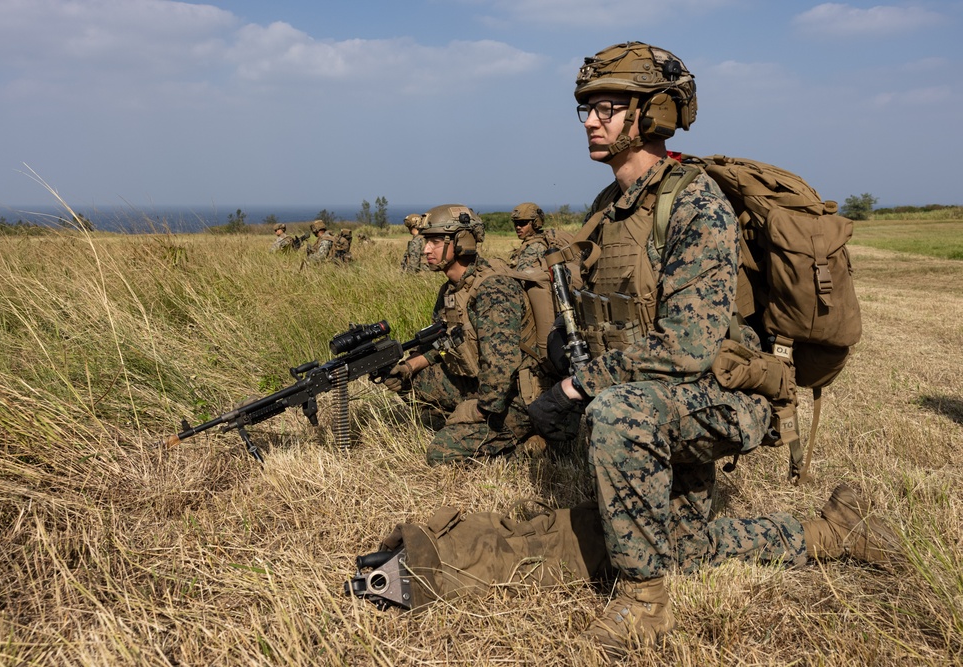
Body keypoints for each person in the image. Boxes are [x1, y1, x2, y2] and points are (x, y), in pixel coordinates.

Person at [526, 41, 901, 657]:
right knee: (685, 546)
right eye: (586, 108)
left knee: (617, 416)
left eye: (608, 106)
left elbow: (687, 346)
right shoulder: (609, 210)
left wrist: (578, 386)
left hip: (724, 394)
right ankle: (835, 533)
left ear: (652, 114)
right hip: (663, 393)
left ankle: (644, 605)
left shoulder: (695, 201)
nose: (591, 120)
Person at [383, 204, 547, 464]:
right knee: (411, 381)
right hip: (478, 382)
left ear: (462, 242)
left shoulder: (494, 288)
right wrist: (410, 367)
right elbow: (445, 344)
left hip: (516, 397)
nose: (426, 249)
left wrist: (475, 411)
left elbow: (501, 367)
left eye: (435, 241)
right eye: (426, 241)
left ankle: (527, 447)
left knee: (441, 453)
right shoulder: (451, 290)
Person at [507, 202, 549, 272]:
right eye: (515, 223)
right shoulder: (533, 240)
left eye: (522, 223)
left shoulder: (535, 246)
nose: (518, 227)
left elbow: (523, 277)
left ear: (535, 223)